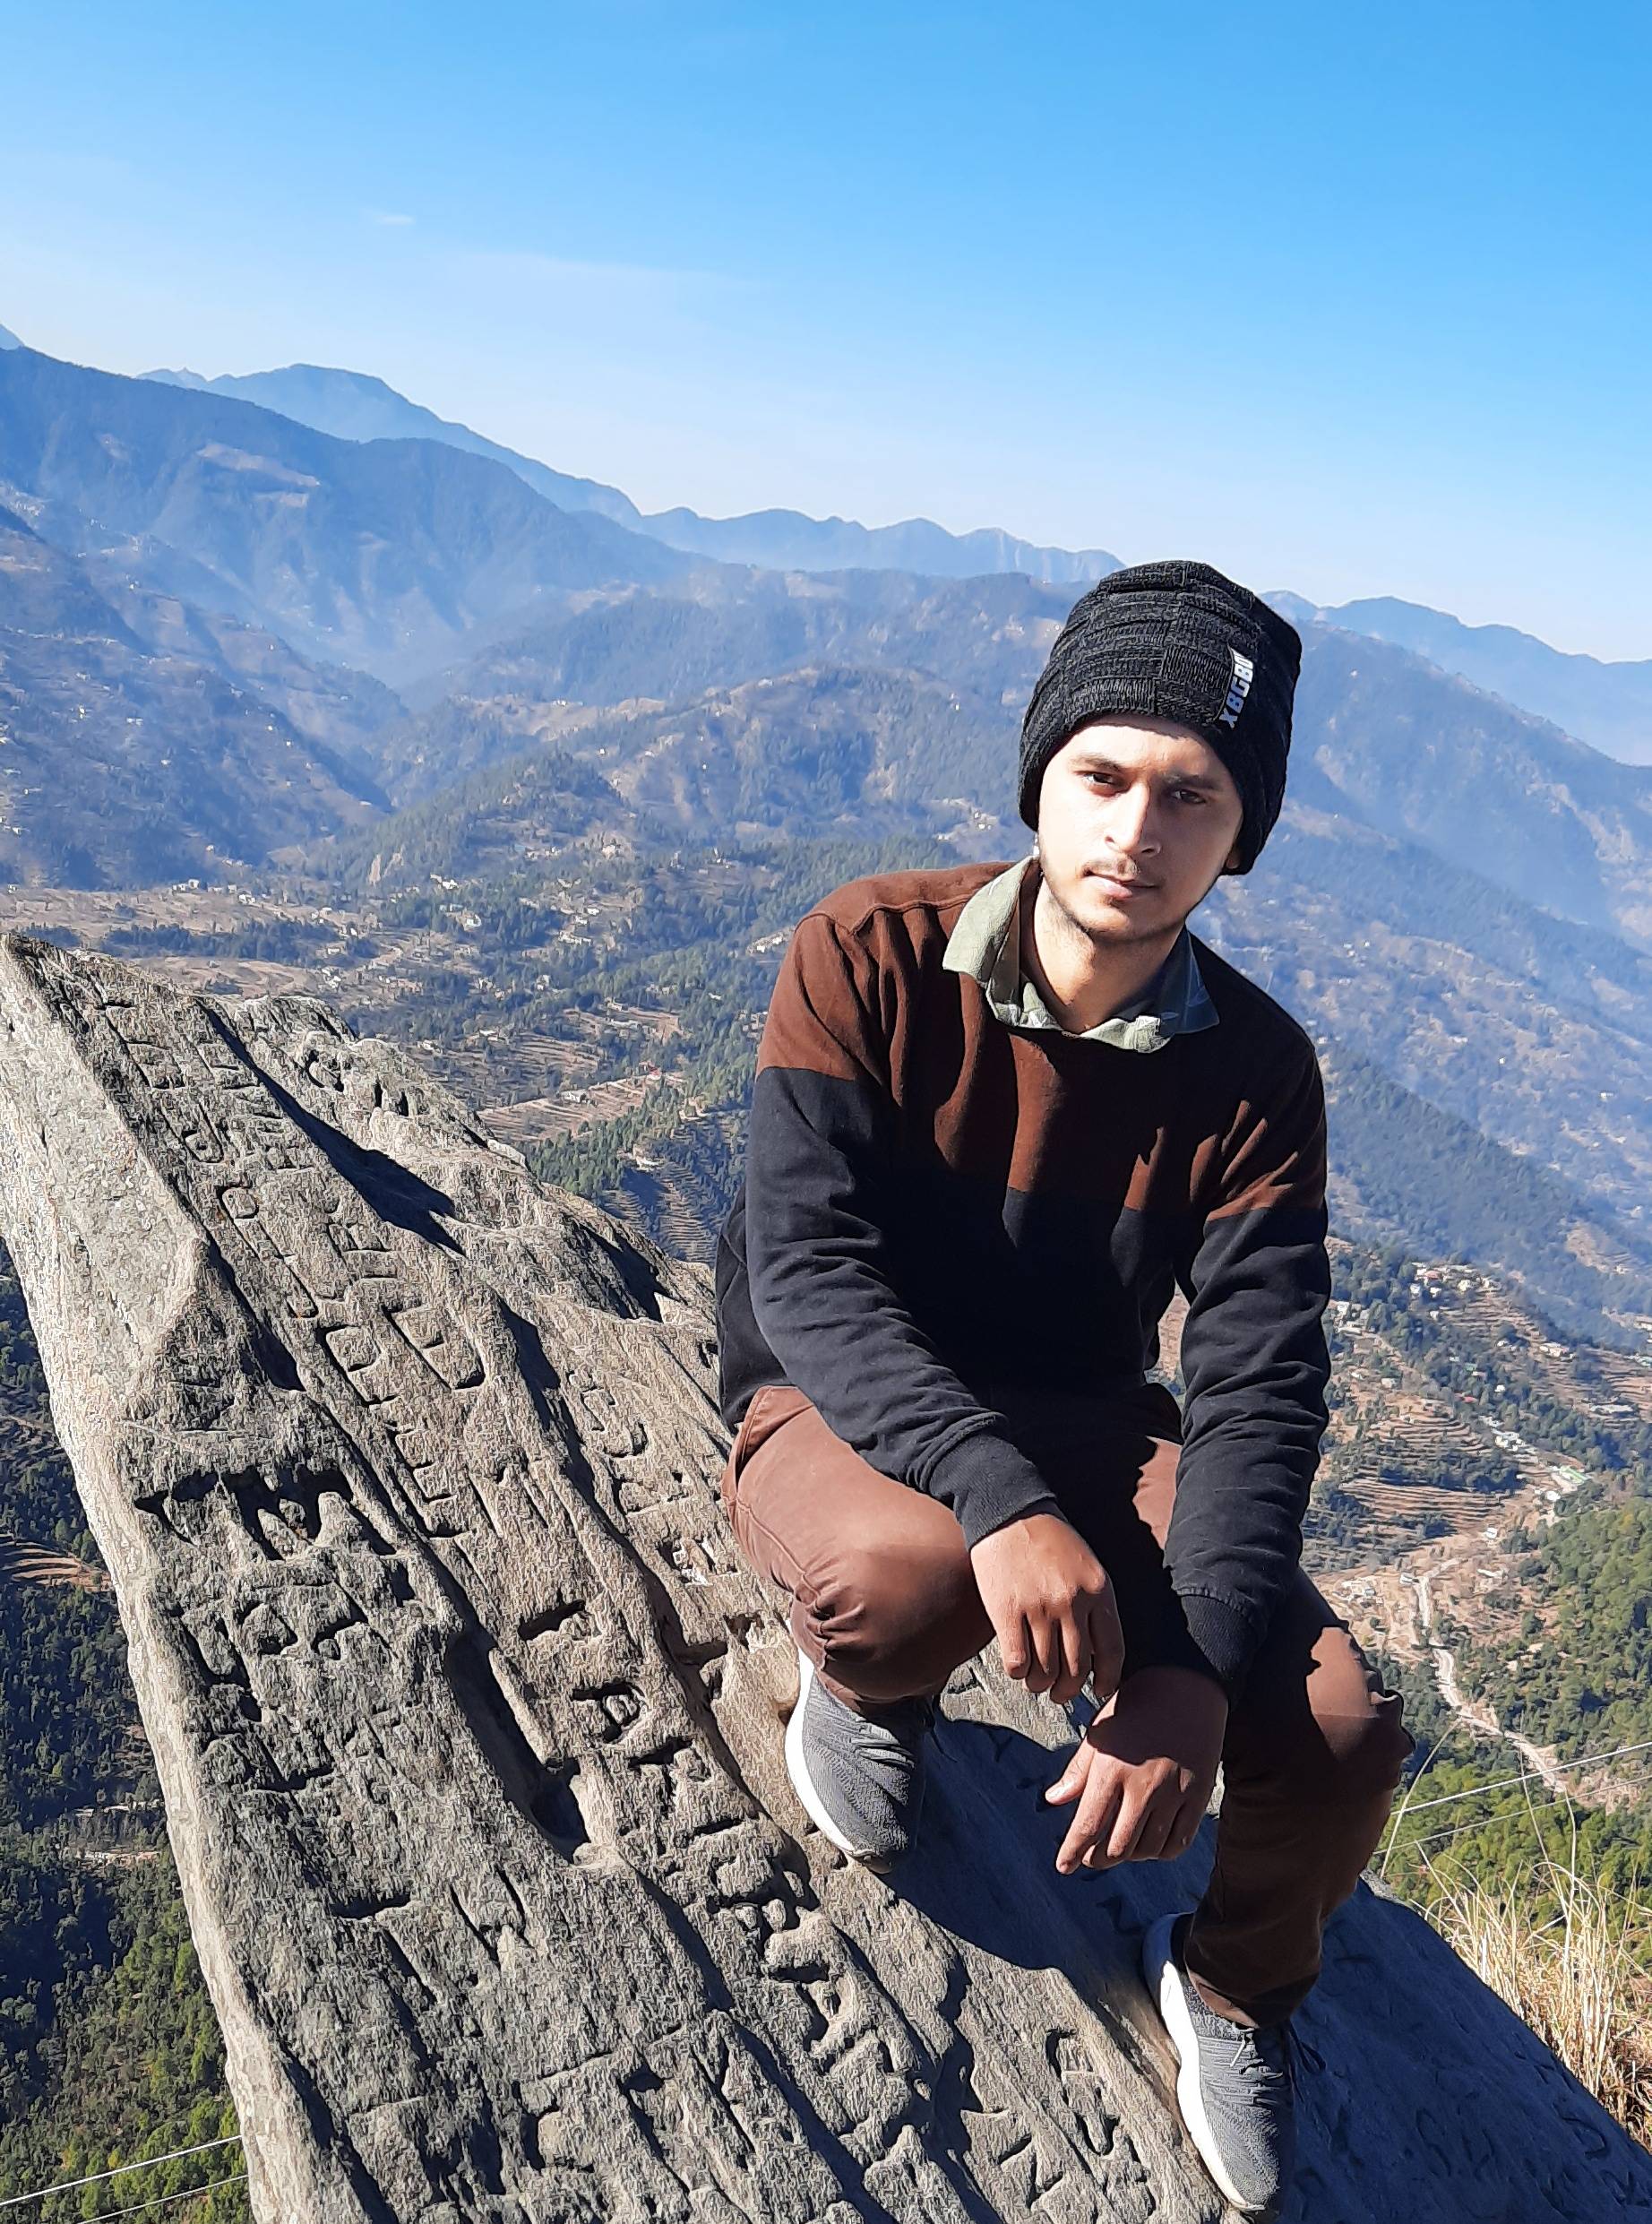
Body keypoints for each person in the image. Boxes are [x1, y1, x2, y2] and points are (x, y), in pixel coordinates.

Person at [713, 557, 1413, 2219]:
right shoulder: (868, 952)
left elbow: (1258, 1385)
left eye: (1192, 796)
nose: (1135, 830)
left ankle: (1234, 1984)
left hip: (1089, 1408)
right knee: (904, 1579)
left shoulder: (1257, 1072)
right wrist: (1000, 1499)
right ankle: (867, 1690)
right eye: (1102, 775)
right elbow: (809, 1273)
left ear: (1242, 833)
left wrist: (1189, 1665)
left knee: (1341, 1731)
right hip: (845, 1387)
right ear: (1040, 773)